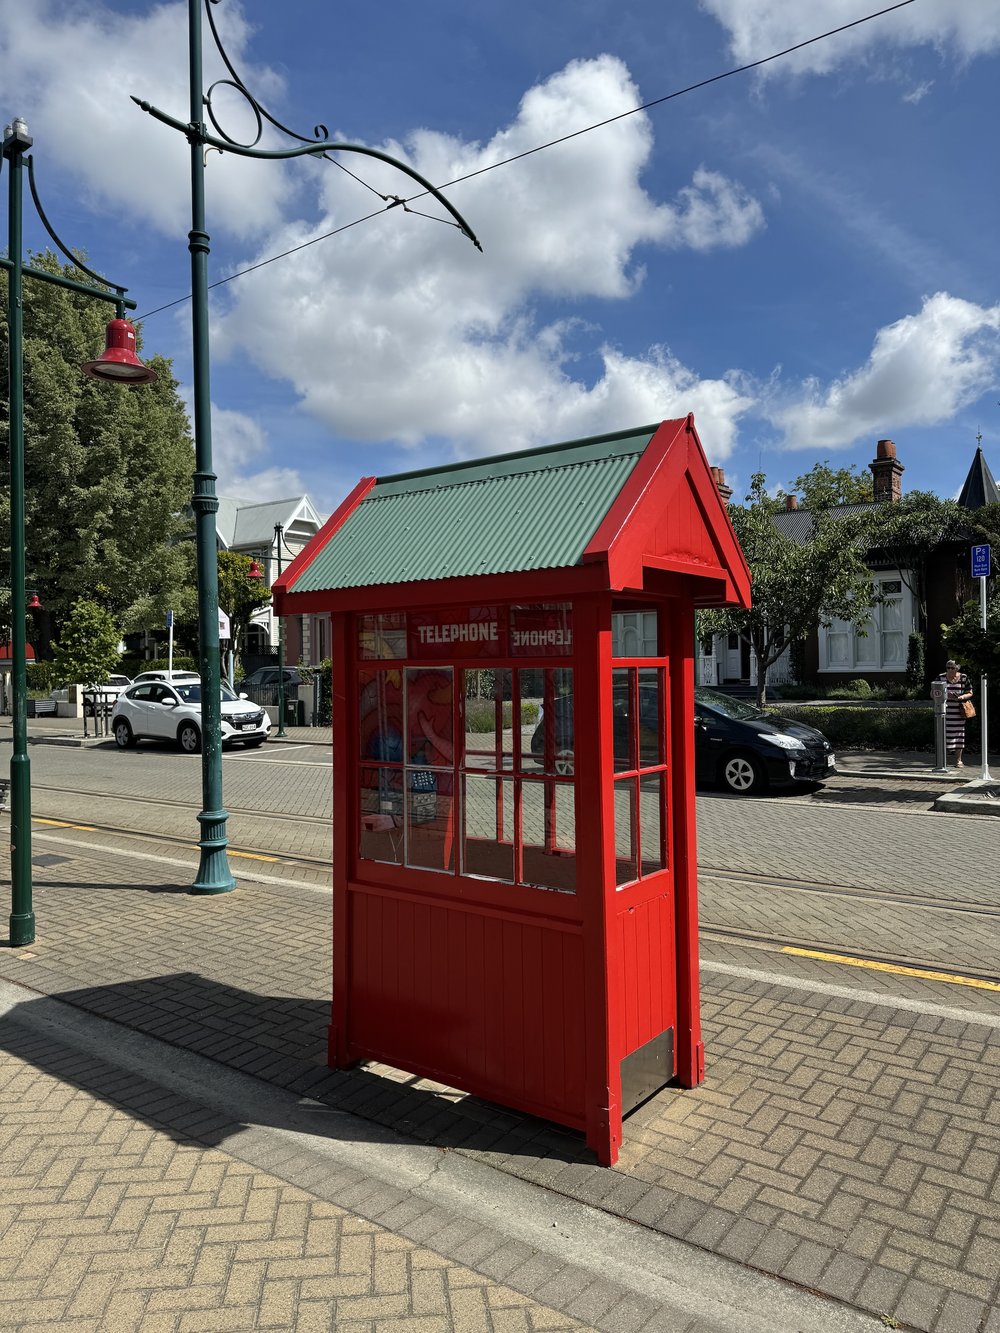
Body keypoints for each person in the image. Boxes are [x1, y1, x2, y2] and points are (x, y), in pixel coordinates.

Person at [935, 659, 974, 767]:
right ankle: (943, 761)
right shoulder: (940, 677)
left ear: (957, 668)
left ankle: (958, 760)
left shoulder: (963, 677)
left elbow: (970, 692)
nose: (949, 670)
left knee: (959, 735)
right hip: (944, 711)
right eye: (948, 667)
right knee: (943, 735)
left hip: (959, 712)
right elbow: (933, 692)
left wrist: (961, 697)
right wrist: (945, 695)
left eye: (952, 668)